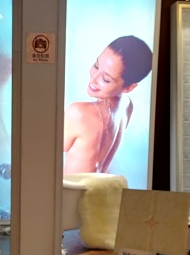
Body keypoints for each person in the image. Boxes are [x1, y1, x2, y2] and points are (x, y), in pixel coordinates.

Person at [63, 35, 152, 174]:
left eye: (105, 79)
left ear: (129, 87)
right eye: (96, 65)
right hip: (102, 187)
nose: (94, 78)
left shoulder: (78, 113)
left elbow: (47, 147)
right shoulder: (127, 106)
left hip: (71, 188)